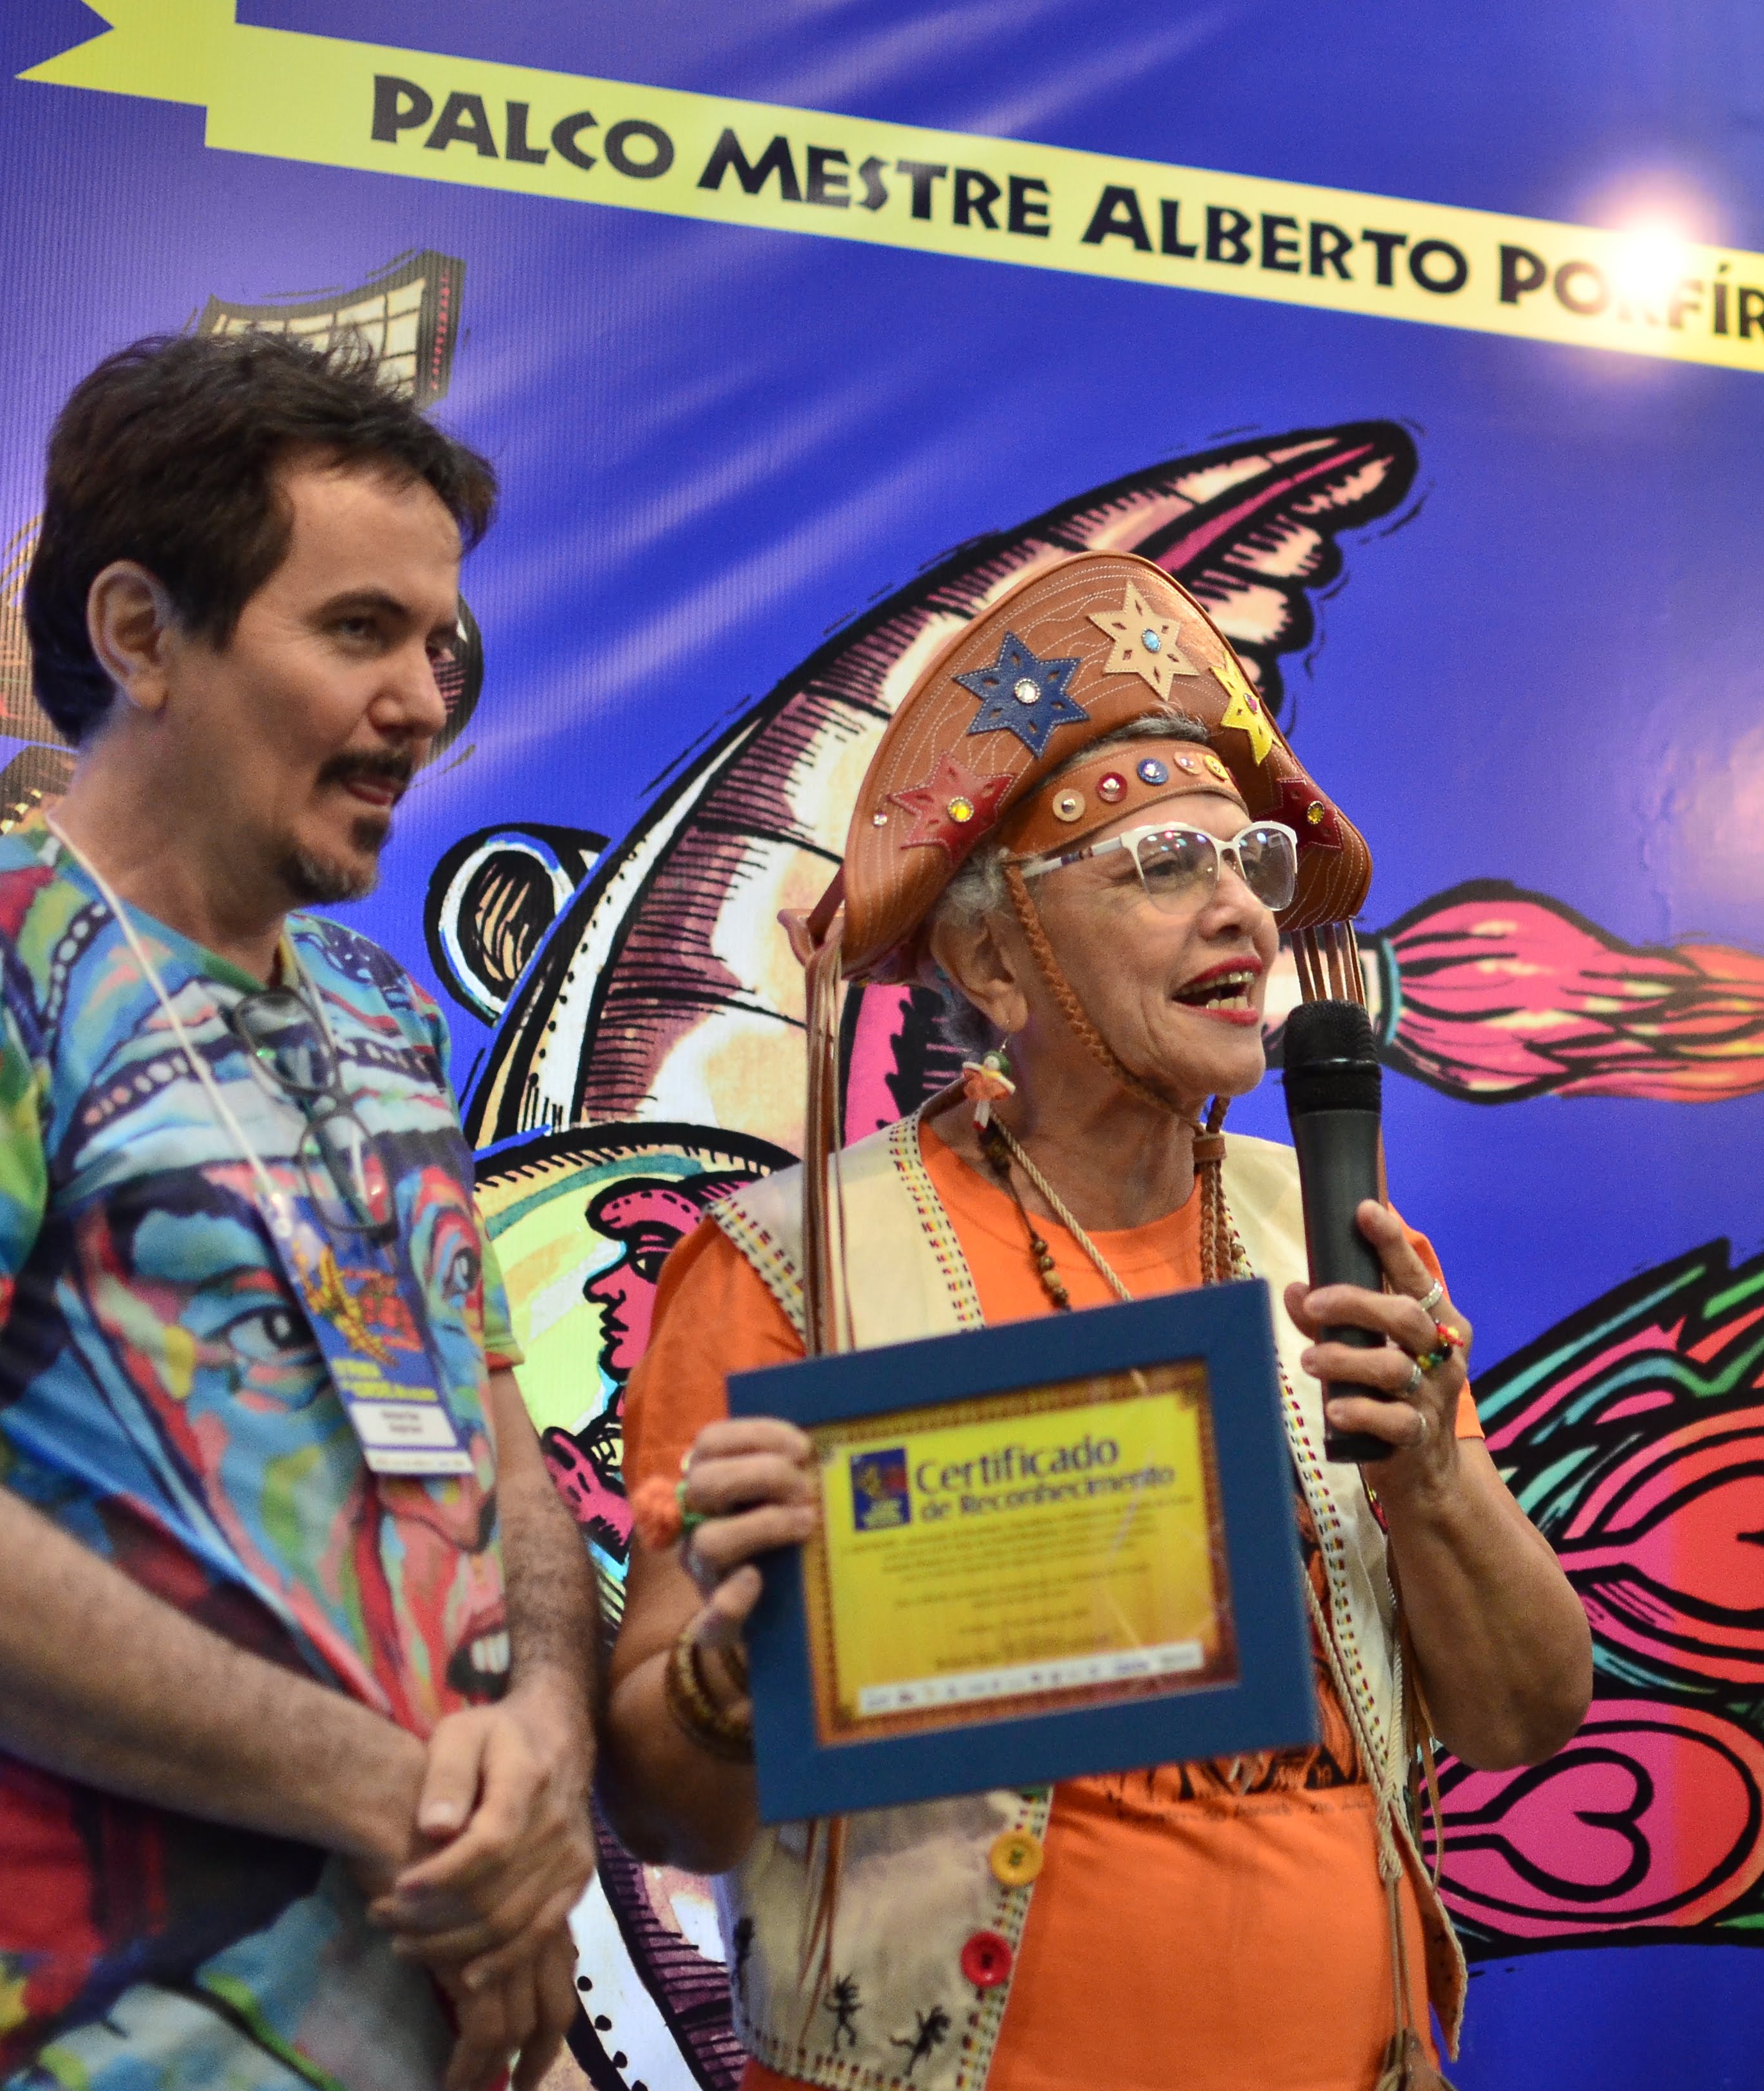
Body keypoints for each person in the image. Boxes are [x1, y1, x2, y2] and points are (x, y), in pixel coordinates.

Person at [0, 332, 599, 2091]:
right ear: (139, 634)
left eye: (439, 645)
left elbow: (501, 1459)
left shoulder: (380, 1012)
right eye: (358, 630)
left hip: (443, 2022)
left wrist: (551, 1755)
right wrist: (402, 1801)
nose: (424, 702)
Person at [596, 551, 1592, 2091]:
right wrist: (732, 1681)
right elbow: (670, 1813)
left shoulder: (1331, 1240)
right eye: (1164, 866)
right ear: (996, 961)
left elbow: (1526, 1714)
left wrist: (1437, 1480)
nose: (1242, 914)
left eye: (1251, 864)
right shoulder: (794, 1268)